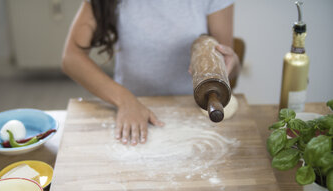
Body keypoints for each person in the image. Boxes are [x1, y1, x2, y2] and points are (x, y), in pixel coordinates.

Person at [62, 0, 240, 146]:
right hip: (130, 108)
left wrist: (234, 63)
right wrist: (125, 100)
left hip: (193, 110)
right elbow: (71, 57)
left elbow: (226, 65)